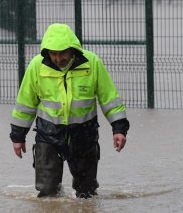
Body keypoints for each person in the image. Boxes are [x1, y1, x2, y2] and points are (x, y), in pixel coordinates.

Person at [9, 23, 130, 199]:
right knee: (47, 193)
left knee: (87, 193)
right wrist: (18, 136)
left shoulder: (92, 63)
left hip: (84, 136)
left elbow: (109, 99)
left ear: (73, 49)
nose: (58, 58)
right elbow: (25, 104)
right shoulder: (37, 66)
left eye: (62, 53)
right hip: (48, 135)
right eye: (53, 53)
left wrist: (119, 129)